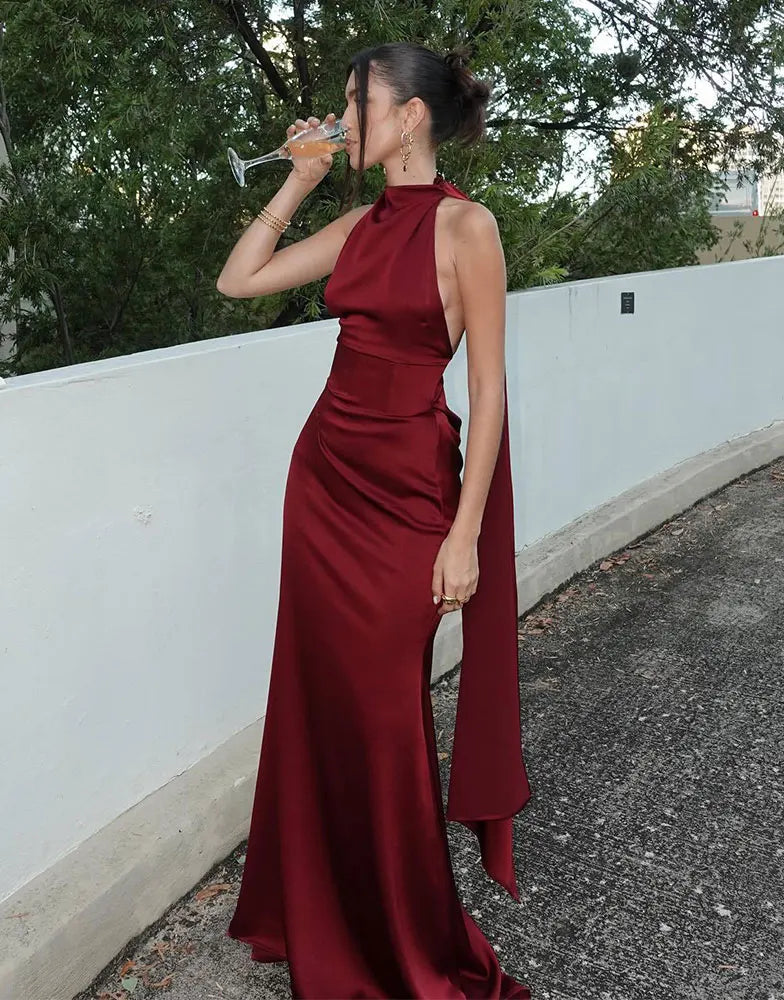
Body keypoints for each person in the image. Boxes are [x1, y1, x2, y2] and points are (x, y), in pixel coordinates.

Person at [217, 39, 532, 1000]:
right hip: (323, 486)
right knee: (319, 705)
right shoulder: (358, 221)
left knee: (388, 716)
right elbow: (239, 280)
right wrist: (301, 181)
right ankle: (317, 914)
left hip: (408, 501)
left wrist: (465, 532)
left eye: (358, 106)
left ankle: (407, 940)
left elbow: (487, 392)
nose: (344, 119)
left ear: (410, 119)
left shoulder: (468, 230)